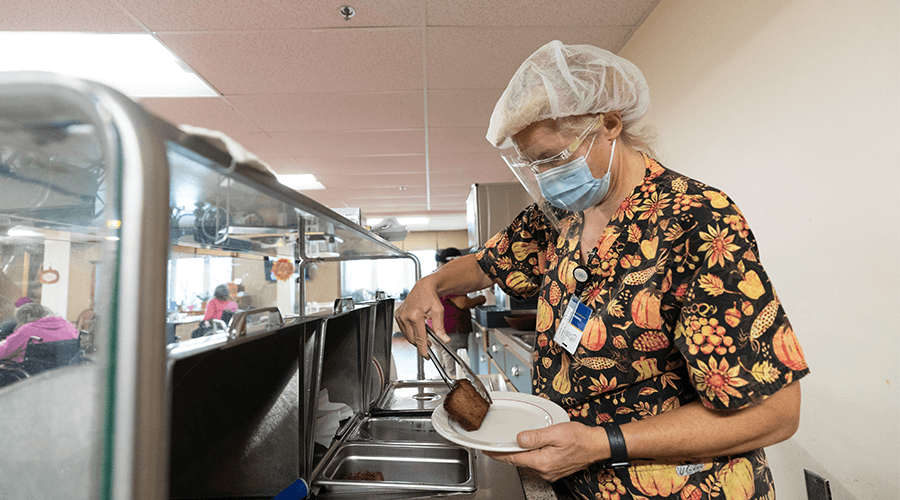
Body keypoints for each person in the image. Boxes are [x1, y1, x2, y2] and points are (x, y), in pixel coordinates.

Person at [395, 40, 808, 499]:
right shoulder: (560, 216)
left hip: (682, 487)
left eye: (553, 158)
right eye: (532, 165)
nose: (545, 177)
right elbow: (488, 263)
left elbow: (775, 413)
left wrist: (600, 443)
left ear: (609, 124)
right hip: (575, 482)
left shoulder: (695, 219)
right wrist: (430, 284)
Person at [428, 248, 486, 378]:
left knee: (444, 365)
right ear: (452, 261)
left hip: (435, 327)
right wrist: (480, 299)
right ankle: (457, 395)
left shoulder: (433, 275)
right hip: (451, 329)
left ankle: (447, 394)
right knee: (455, 371)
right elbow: (462, 303)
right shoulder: (449, 277)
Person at [0, 302, 79, 363]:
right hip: (62, 372)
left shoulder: (27, 329)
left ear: (28, 319)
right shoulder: (68, 326)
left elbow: (3, 352)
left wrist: (4, 343)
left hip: (30, 376)